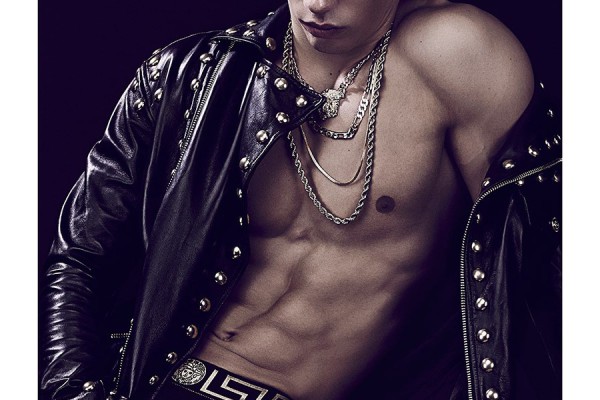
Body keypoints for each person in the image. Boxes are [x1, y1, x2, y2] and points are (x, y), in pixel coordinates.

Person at [40, 0, 562, 399]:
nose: (318, 5)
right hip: (149, 384)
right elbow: (80, 255)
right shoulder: (193, 76)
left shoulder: (455, 54)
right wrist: (72, 389)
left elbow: (543, 266)